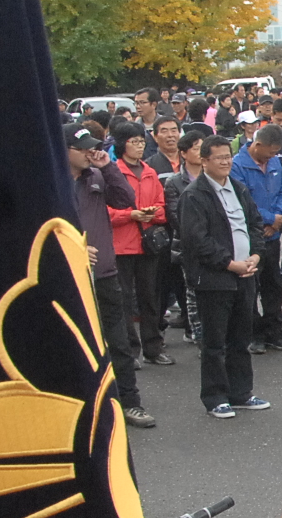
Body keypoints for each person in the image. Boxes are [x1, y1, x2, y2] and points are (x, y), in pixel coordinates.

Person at [177, 134, 270, 419]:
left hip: (246, 274)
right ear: (204, 161)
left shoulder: (239, 188)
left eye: (228, 156)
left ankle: (241, 392)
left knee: (241, 338)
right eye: (219, 158)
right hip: (214, 278)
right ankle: (215, 396)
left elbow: (255, 224)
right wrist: (230, 264)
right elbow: (197, 240)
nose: (226, 162)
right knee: (215, 342)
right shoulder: (194, 195)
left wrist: (256, 256)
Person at [66, 131, 153, 427]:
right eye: (83, 149)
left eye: (93, 148)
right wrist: (73, 247)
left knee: (119, 342)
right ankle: (84, 408)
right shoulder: (53, 183)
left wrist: (108, 167)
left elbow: (125, 200)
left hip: (104, 273)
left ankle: (130, 402)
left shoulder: (97, 176)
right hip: (69, 278)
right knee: (76, 345)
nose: (90, 154)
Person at [107, 123, 172, 367]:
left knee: (150, 297)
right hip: (122, 244)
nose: (139, 146)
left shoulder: (149, 172)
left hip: (148, 243)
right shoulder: (112, 173)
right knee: (123, 299)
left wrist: (152, 213)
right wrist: (130, 215)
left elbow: (161, 206)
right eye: (133, 142)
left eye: (141, 141)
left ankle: (153, 348)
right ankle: (130, 350)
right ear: (122, 144)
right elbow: (104, 212)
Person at [231, 125, 282, 351]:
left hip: (272, 234)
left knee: (273, 285)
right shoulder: (237, 166)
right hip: (249, 236)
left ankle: (274, 332)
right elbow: (242, 201)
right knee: (250, 288)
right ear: (257, 145)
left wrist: (279, 217)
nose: (272, 157)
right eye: (269, 152)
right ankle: (254, 334)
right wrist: (268, 219)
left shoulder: (275, 162)